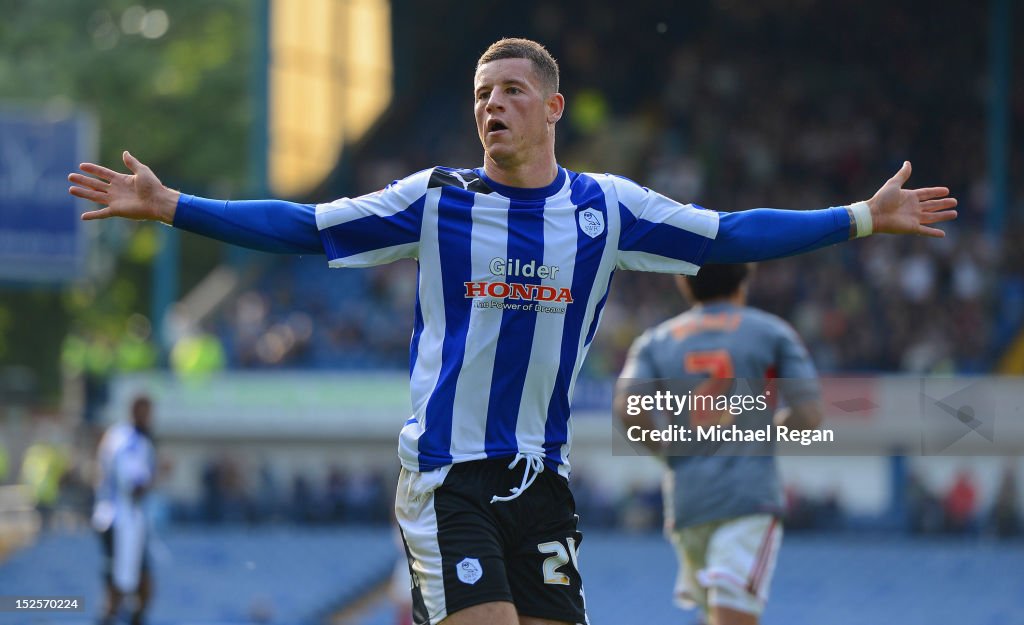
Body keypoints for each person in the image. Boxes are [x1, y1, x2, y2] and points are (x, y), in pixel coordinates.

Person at [68, 37, 957, 625]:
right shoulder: (435, 200)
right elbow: (305, 226)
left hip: (543, 482)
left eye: (513, 92)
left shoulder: (608, 210)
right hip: (448, 475)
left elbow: (729, 233)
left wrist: (860, 218)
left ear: (553, 109)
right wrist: (175, 205)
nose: (493, 105)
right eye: (483, 93)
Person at [613, 264, 824, 625]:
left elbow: (628, 410)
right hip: (747, 495)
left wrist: (668, 448)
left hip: (688, 502)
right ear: (745, 279)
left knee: (712, 614)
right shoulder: (771, 331)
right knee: (731, 614)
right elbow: (809, 415)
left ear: (683, 282)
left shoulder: (656, 340)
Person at [92, 394, 157, 625]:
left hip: (110, 516)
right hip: (122, 522)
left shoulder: (115, 435)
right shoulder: (132, 441)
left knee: (133, 583)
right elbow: (134, 486)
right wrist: (159, 475)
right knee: (123, 587)